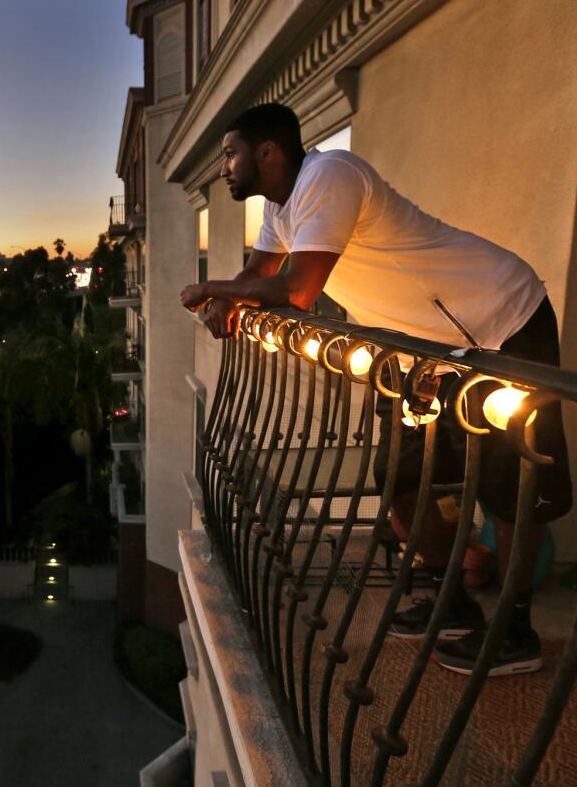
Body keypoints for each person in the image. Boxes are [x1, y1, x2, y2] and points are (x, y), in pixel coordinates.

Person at [180, 102, 571, 676]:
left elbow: (299, 290)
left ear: (268, 152)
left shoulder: (331, 174)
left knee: (508, 484)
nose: (225, 168)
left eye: (231, 154)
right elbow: (259, 276)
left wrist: (208, 289)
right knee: (398, 479)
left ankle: (515, 634)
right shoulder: (280, 207)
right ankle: (451, 601)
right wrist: (228, 296)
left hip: (502, 321)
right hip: (423, 351)